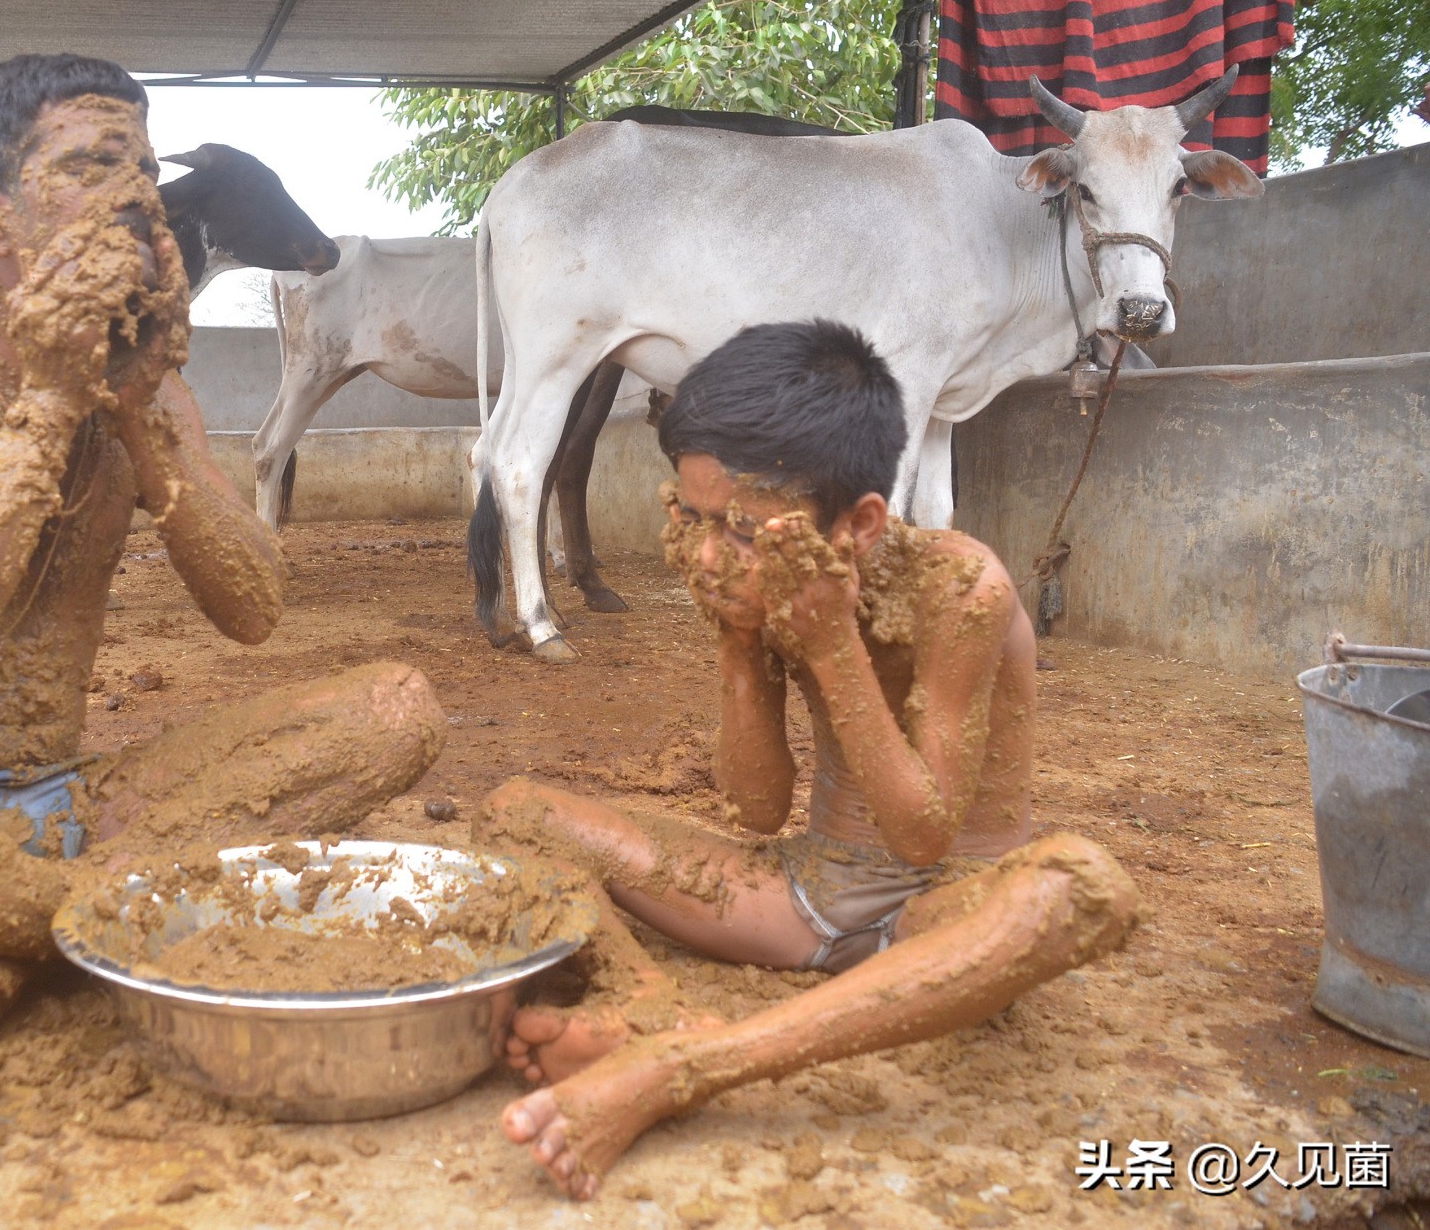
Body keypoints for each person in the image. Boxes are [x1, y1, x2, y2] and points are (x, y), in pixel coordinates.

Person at [0, 54, 444, 1041]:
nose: (140, 201)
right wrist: (55, 395)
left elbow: (255, 610)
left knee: (393, 709)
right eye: (93, 167)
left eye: (143, 170)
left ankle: (8, 931)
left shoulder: (142, 374)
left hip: (71, 810)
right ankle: (83, 921)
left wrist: (139, 417)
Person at [476, 320, 1140, 1198]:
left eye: (744, 530)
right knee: (517, 810)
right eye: (698, 521)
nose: (713, 555)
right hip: (802, 894)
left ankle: (693, 1061)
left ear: (859, 524)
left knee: (1074, 889)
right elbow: (756, 811)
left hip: (939, 914)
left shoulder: (960, 590)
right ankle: (648, 1004)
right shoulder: (765, 576)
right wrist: (737, 645)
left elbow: (921, 835)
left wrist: (832, 647)